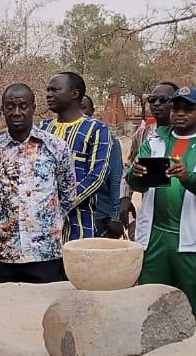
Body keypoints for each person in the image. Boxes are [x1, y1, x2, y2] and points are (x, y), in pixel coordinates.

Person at [126, 86, 196, 339]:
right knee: (150, 299)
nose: (180, 113)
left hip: (191, 240)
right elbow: (136, 182)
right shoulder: (155, 139)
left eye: (188, 108)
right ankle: (153, 353)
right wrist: (135, 174)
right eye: (177, 107)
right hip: (155, 236)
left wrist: (188, 178)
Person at [0, 83, 75, 283]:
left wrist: (44, 223)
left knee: (44, 312)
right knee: (4, 312)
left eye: (23, 106)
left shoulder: (55, 147)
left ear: (33, 108)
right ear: (3, 110)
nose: (17, 112)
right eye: (10, 107)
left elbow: (67, 194)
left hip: (45, 254)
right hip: (4, 254)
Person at [39, 72, 113, 239]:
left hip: (80, 221)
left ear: (74, 94)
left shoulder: (96, 129)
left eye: (55, 90)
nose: (49, 94)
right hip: (42, 224)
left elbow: (97, 176)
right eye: (48, 90)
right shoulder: (42, 129)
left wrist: (61, 203)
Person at [120, 82, 178, 238]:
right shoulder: (144, 134)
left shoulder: (187, 135)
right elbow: (131, 166)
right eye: (152, 100)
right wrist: (125, 197)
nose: (156, 104)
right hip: (150, 211)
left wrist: (150, 172)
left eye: (164, 99)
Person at [81, 94, 124, 239]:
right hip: (75, 215)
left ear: (92, 111)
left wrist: (115, 216)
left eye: (83, 108)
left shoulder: (110, 141)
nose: (81, 114)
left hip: (100, 214)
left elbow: (115, 180)